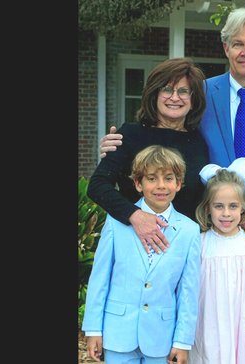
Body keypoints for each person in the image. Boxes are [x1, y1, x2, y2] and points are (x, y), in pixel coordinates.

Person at [99, 7, 245, 258]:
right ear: (226, 48)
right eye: (237, 44)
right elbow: (163, 132)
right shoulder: (197, 94)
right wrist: (118, 145)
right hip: (207, 234)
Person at [89, 57, 245, 258]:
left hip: (183, 250)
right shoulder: (130, 134)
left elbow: (208, 196)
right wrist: (135, 216)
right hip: (133, 242)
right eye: (167, 89)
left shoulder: (199, 142)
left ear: (194, 100)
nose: (174, 97)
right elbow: (97, 185)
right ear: (155, 94)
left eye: (183, 91)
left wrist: (243, 222)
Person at [82, 145, 201, 364]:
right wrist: (93, 329)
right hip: (118, 333)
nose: (161, 186)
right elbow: (99, 278)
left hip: (161, 337)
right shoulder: (116, 222)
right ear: (138, 183)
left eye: (168, 178)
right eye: (152, 178)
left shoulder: (190, 230)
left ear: (179, 184)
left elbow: (188, 291)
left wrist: (182, 342)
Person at [188, 158, 245, 364]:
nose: (226, 213)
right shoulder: (200, 243)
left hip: (244, 318)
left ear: (242, 209)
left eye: (233, 206)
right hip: (209, 320)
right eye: (219, 206)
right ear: (208, 209)